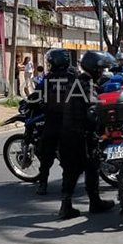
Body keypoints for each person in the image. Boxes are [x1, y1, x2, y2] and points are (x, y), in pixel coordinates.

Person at [55, 50, 117, 219]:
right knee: (92, 167)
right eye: (102, 69)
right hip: (83, 136)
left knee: (70, 171)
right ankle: (95, 202)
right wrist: (105, 117)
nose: (103, 73)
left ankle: (65, 206)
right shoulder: (87, 85)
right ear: (96, 69)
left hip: (67, 133)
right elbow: (92, 109)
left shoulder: (75, 82)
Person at [34, 49, 73, 196]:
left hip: (53, 121)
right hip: (71, 122)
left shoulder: (49, 79)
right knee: (70, 157)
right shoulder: (73, 75)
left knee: (46, 154)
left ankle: (43, 184)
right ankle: (67, 187)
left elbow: (37, 93)